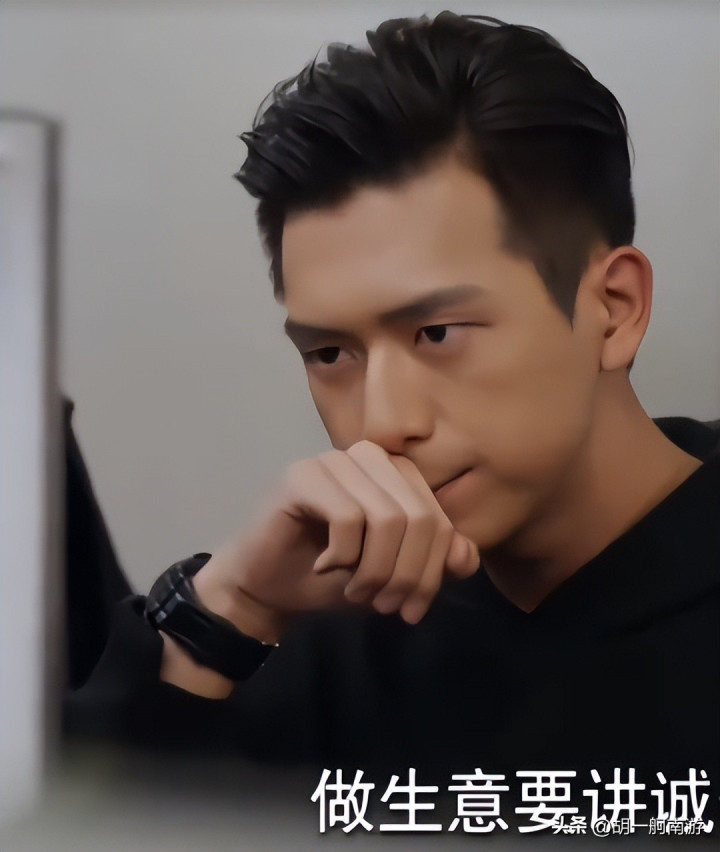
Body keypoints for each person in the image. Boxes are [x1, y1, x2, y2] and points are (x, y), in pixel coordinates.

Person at [65, 11, 719, 804]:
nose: (380, 425)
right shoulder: (340, 629)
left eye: (437, 333)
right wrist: (231, 607)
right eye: (330, 354)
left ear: (614, 310)